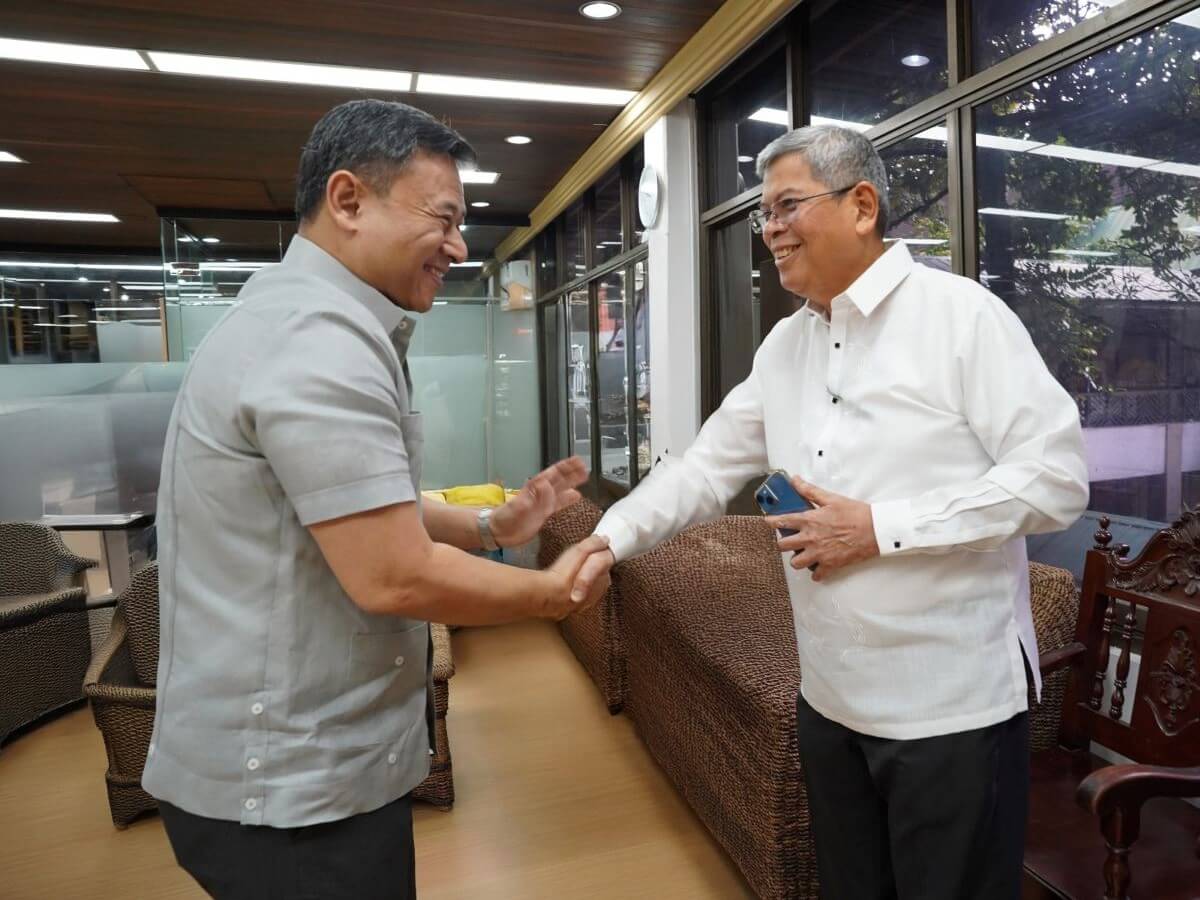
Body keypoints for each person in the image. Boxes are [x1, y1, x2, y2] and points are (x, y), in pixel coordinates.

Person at [570, 124, 1089, 898]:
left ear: (862, 206)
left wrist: (879, 528)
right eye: (764, 213)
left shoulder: (962, 318)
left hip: (951, 710)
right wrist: (609, 538)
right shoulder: (786, 347)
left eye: (787, 206)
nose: (770, 229)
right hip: (831, 700)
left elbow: (1056, 480)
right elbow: (705, 468)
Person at [142, 98, 610, 900]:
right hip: (294, 795)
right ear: (348, 200)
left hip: (295, 779)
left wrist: (490, 524)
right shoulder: (318, 339)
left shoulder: (300, 316)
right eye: (444, 218)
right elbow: (393, 575)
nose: (458, 246)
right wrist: (550, 594)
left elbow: (342, 504)